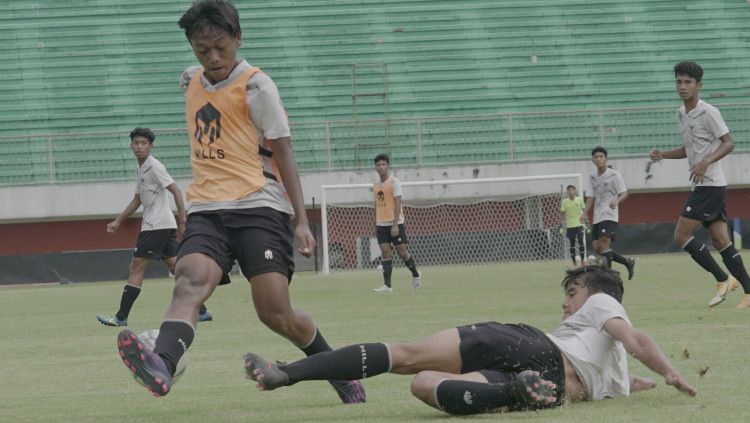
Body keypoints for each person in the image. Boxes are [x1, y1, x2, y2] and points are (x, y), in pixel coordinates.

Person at [115, 0, 365, 403]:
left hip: (260, 206)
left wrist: (301, 221)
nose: (212, 58)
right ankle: (161, 363)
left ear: (237, 38)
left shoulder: (256, 85)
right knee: (188, 283)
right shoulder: (189, 80)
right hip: (207, 210)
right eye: (202, 50)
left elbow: (284, 151)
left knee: (275, 314)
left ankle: (336, 368)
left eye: (220, 48)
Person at [244, 263, 697, 415]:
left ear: (596, 292)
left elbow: (634, 337)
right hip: (554, 390)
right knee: (422, 384)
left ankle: (288, 373)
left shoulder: (603, 305)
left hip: (534, 348)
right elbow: (626, 375)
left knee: (406, 355)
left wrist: (670, 371)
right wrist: (648, 382)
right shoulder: (614, 373)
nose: (565, 303)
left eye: (571, 293)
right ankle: (511, 392)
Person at [649, 61, 750, 308]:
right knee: (719, 240)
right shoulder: (681, 113)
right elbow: (689, 149)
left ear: (699, 85)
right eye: (679, 82)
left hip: (711, 185)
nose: (682, 87)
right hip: (703, 185)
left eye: (688, 82)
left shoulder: (709, 112)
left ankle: (723, 279)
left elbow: (728, 143)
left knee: (681, 235)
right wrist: (663, 154)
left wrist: (706, 161)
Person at [96, 127, 212, 327]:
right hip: (163, 225)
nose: (139, 147)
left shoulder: (154, 166)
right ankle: (201, 311)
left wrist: (183, 220)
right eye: (136, 143)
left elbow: (176, 190)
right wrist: (118, 221)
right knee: (177, 268)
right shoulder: (141, 168)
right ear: (131, 145)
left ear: (151, 146)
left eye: (144, 143)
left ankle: (121, 317)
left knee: (135, 268)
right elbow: (137, 199)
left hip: (154, 226)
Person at [581, 146, 636, 280]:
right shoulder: (592, 177)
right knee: (598, 249)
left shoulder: (614, 174)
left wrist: (617, 201)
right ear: (593, 160)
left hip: (609, 214)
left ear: (606, 159)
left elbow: (624, 192)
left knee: (604, 243)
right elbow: (590, 197)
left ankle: (608, 278)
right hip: (597, 216)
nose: (598, 159)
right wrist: (584, 213)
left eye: (601, 157)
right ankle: (627, 262)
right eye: (596, 157)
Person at [372, 153, 422, 292]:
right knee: (385, 253)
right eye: (378, 165)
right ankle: (387, 286)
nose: (381, 167)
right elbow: (376, 204)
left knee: (402, 253)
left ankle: (416, 275)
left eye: (383, 164)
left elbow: (398, 202)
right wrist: (375, 223)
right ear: (375, 167)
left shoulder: (394, 182)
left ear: (388, 166)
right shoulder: (375, 185)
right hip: (381, 224)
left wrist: (395, 224)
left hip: (395, 223)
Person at [560, 184, 587, 267]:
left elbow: (584, 211)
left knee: (581, 242)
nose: (571, 191)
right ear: (567, 192)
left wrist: (587, 222)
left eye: (572, 190)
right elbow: (562, 214)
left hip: (579, 225)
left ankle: (583, 261)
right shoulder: (564, 202)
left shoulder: (579, 200)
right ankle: (574, 262)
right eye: (569, 190)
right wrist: (562, 226)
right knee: (572, 244)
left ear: (575, 191)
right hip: (570, 226)